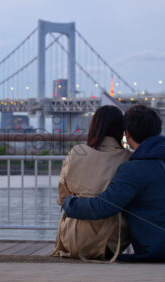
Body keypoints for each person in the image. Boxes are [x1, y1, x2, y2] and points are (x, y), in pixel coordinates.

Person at [62, 104, 165, 261]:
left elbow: (102, 207)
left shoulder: (132, 169)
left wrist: (69, 203)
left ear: (126, 134)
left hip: (162, 250)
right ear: (158, 129)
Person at [51, 105, 131, 261]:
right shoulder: (128, 158)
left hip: (72, 240)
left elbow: (62, 198)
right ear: (121, 128)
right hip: (110, 245)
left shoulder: (76, 153)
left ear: (94, 127)